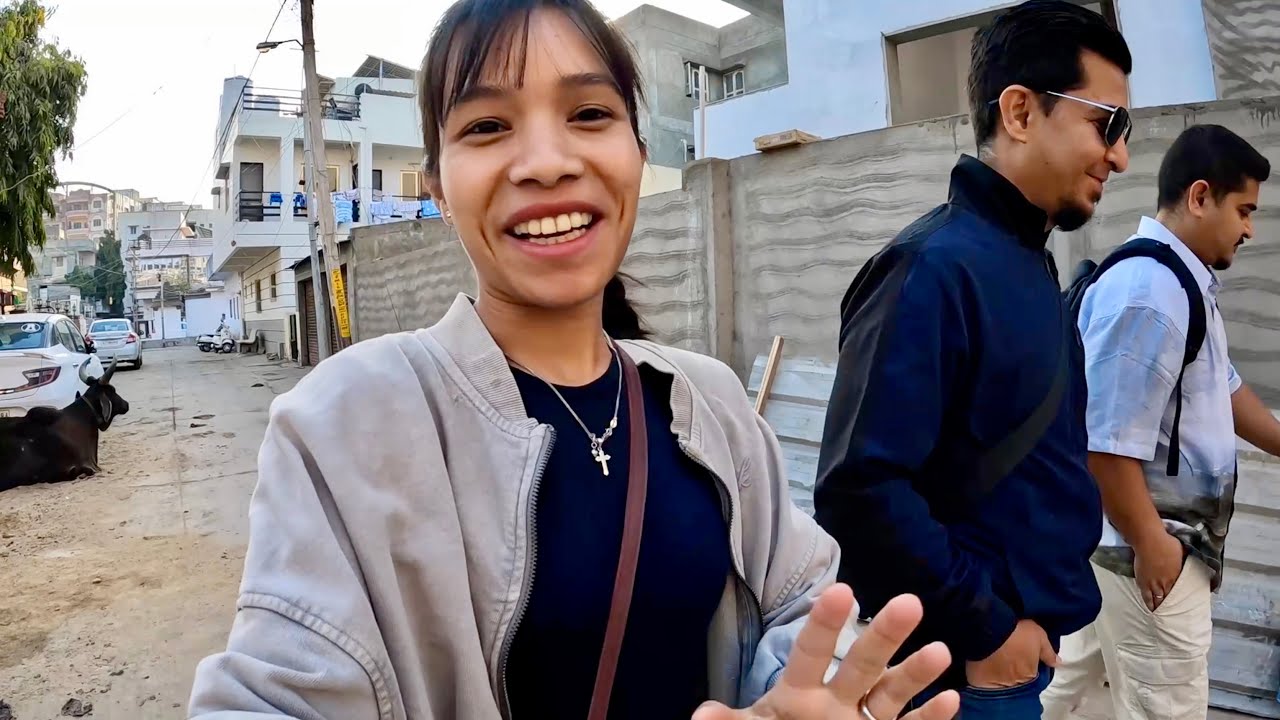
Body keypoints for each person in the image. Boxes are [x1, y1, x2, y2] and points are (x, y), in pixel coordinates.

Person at [186, 1, 963, 719]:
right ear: (440, 187)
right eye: (487, 127)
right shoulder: (348, 422)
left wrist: (804, 691)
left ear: (636, 149)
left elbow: (800, 606)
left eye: (589, 113)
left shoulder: (711, 402)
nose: (547, 162)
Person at [812, 1, 1133, 716]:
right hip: (958, 679)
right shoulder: (932, 267)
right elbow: (858, 488)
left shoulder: (1023, 262)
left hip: (1013, 664)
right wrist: (986, 631)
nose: (1121, 154)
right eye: (1106, 124)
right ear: (1019, 112)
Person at [1041, 125, 1280, 720]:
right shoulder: (1151, 292)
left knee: (1062, 690)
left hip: (1124, 547)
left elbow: (1223, 390)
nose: (1250, 228)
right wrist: (1153, 547)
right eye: (1244, 210)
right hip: (1148, 552)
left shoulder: (1183, 280)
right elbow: (1105, 442)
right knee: (1164, 708)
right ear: (1200, 196)